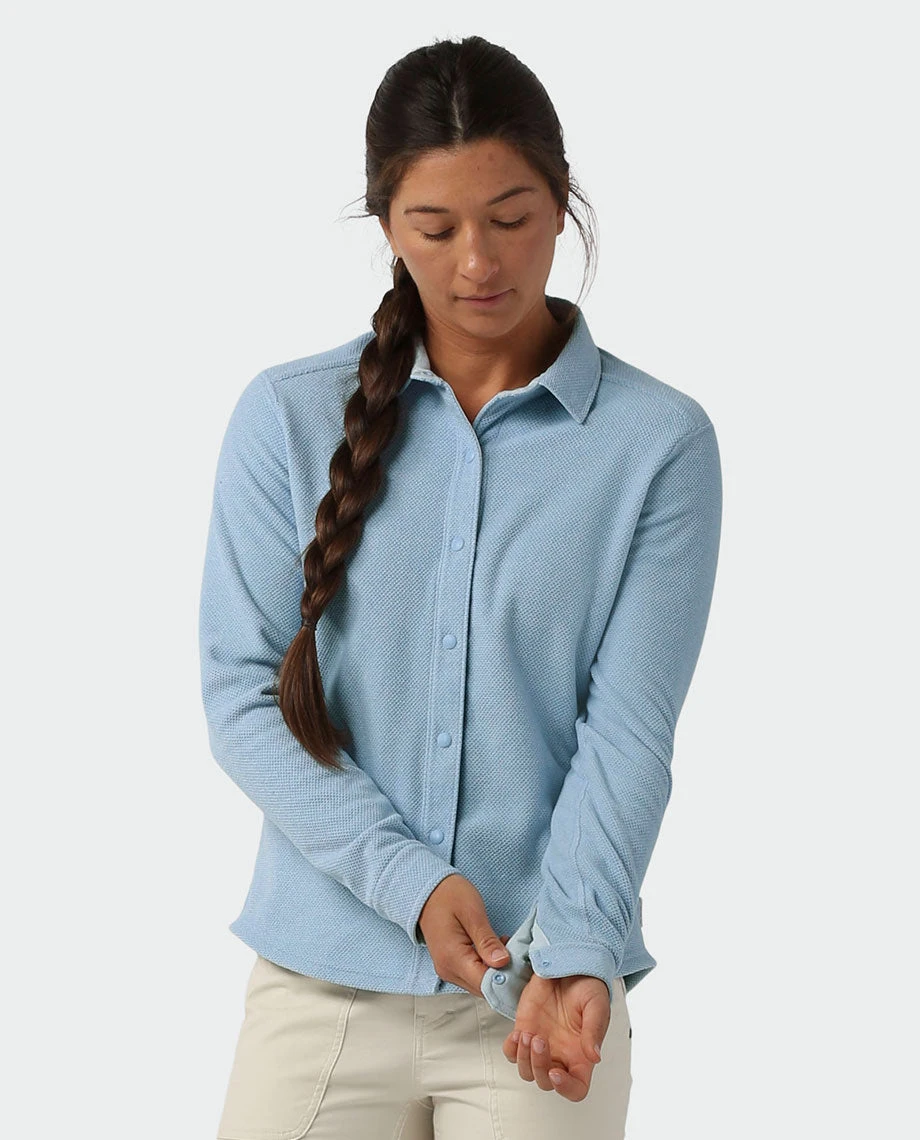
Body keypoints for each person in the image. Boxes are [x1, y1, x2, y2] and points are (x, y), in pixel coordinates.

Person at [198, 33, 722, 1140]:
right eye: (436, 229)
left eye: (511, 217)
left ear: (562, 202)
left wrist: (576, 945)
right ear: (387, 224)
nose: (478, 262)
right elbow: (243, 697)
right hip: (321, 984)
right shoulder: (286, 417)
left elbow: (627, 734)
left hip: (540, 990)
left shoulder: (657, 446)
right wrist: (411, 883)